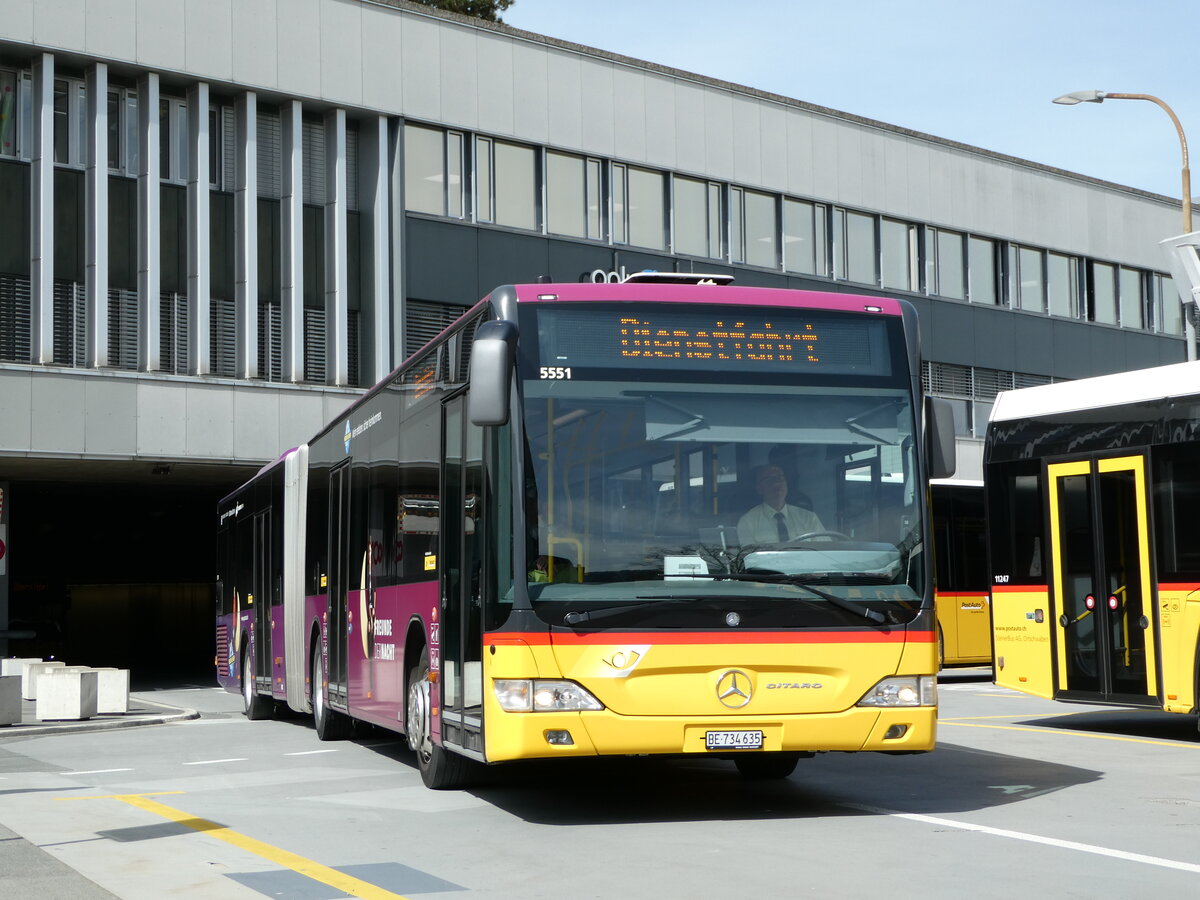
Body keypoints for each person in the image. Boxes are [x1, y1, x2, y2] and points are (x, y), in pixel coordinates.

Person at [737, 464, 824, 546]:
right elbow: (748, 559)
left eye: (780, 478)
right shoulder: (747, 522)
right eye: (769, 479)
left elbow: (826, 554)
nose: (777, 483)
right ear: (759, 488)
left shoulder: (809, 518)